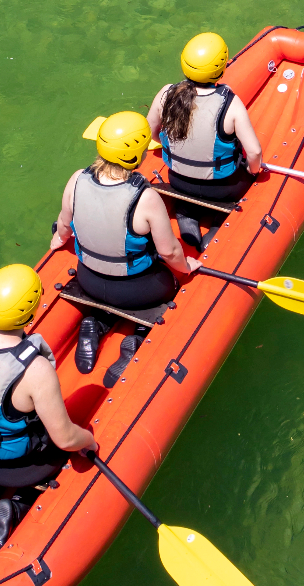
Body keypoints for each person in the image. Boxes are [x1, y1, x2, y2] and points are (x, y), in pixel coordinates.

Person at [0, 262, 97, 567]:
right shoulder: (33, 369)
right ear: (30, 311)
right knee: (47, 439)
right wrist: (89, 440)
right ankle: (16, 505)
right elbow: (65, 438)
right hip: (19, 468)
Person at [49, 111, 198, 384]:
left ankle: (98, 322)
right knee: (169, 282)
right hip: (138, 291)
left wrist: (58, 238)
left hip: (89, 280)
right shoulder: (146, 197)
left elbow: (63, 224)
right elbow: (170, 252)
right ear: (137, 156)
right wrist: (187, 267)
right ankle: (139, 336)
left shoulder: (76, 179)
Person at [147, 31, 264, 250]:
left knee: (186, 200)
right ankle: (217, 227)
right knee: (238, 183)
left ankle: (186, 216)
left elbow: (152, 133)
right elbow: (255, 153)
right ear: (220, 68)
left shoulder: (165, 94)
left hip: (178, 180)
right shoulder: (230, 104)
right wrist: (252, 171)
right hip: (223, 189)